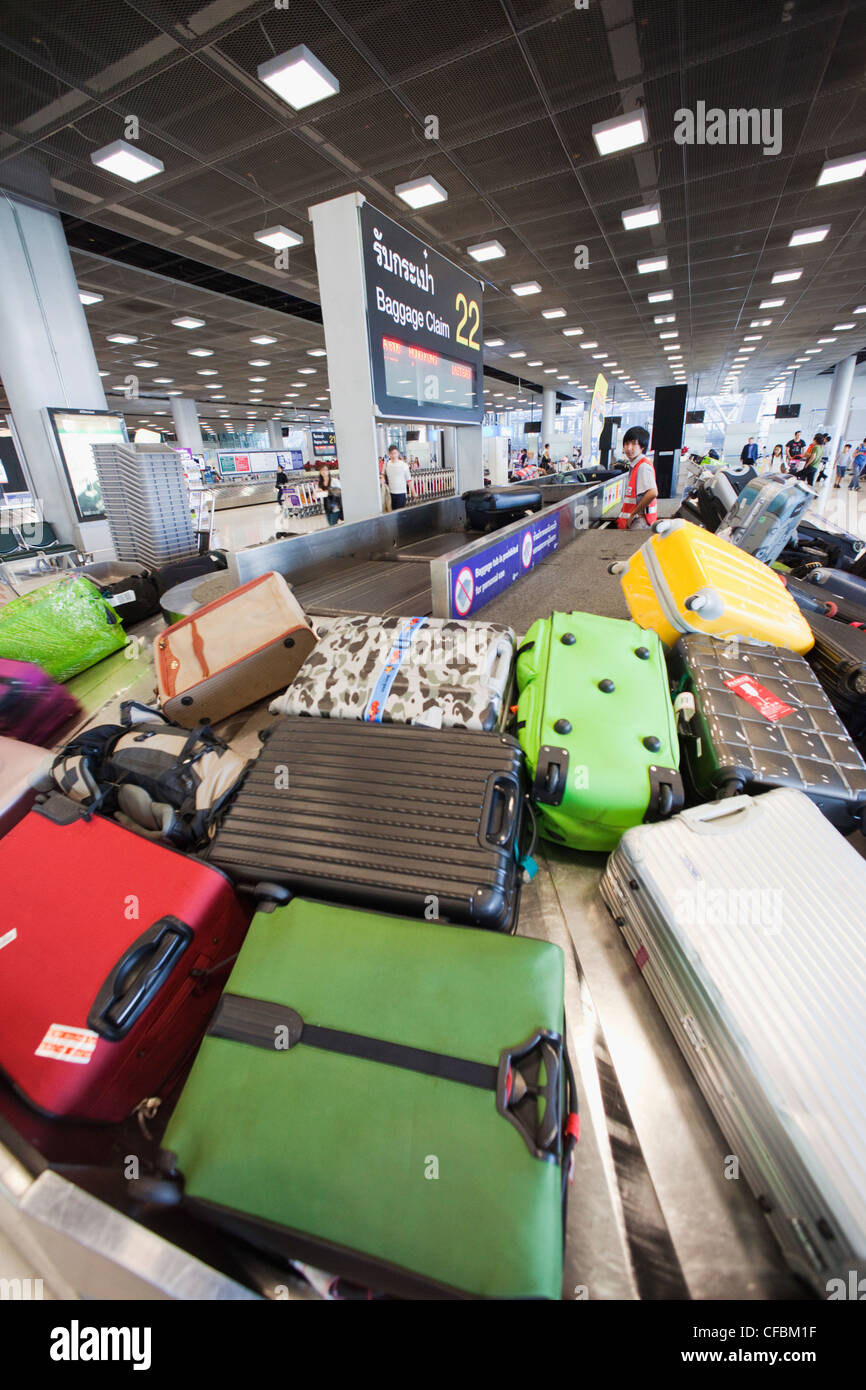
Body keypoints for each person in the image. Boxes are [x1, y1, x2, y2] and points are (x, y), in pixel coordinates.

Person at [617, 426, 658, 530]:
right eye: (626, 444)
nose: (629, 448)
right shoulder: (636, 465)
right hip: (638, 520)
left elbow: (653, 492)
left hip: (640, 521)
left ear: (642, 447)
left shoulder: (643, 467)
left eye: (634, 443)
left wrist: (633, 514)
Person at [384, 444, 411, 509]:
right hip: (390, 493)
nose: (393, 455)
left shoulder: (404, 465)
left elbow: (409, 480)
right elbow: (382, 474)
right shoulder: (387, 464)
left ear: (398, 453)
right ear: (389, 454)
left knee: (400, 514)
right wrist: (382, 478)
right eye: (391, 453)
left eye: (395, 453)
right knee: (392, 512)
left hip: (401, 493)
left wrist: (413, 492)